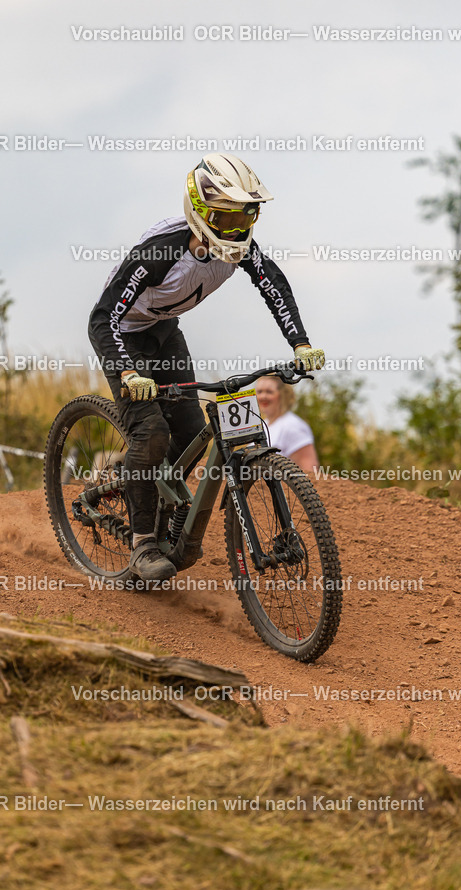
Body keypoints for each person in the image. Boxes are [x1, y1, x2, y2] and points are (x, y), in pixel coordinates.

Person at [88, 153, 325, 582]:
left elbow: (273, 285)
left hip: (163, 331)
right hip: (122, 335)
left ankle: (149, 490)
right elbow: (103, 318)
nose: (235, 230)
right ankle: (142, 542)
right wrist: (127, 372)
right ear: (199, 211)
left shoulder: (239, 249)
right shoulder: (161, 251)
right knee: (152, 433)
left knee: (190, 431)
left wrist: (300, 343)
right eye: (226, 218)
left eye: (244, 218)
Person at [256, 375, 319, 475]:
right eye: (259, 392)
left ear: (282, 394)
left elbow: (310, 470)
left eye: (269, 392)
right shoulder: (262, 425)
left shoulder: (293, 426)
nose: (263, 396)